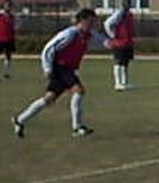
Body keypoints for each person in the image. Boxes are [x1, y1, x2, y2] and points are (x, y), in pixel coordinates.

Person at [12, 9, 104, 139]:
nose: (92, 24)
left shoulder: (88, 34)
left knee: (48, 99)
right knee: (79, 91)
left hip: (67, 69)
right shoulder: (70, 34)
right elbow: (48, 49)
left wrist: (114, 43)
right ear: (82, 21)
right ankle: (77, 127)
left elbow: (103, 41)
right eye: (90, 21)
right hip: (60, 68)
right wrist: (47, 68)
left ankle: (20, 120)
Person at [104, 0, 136, 91]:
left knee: (126, 63)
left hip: (128, 42)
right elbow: (107, 23)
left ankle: (124, 83)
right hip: (119, 43)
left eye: (129, 3)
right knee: (119, 62)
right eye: (126, 3)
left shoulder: (129, 15)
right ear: (123, 4)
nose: (128, 5)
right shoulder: (119, 14)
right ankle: (117, 83)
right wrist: (112, 35)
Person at [0, 0, 15, 79]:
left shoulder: (11, 15)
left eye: (9, 5)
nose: (7, 7)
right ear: (4, 6)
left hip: (9, 39)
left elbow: (12, 27)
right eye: (6, 5)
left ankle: (6, 73)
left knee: (8, 56)